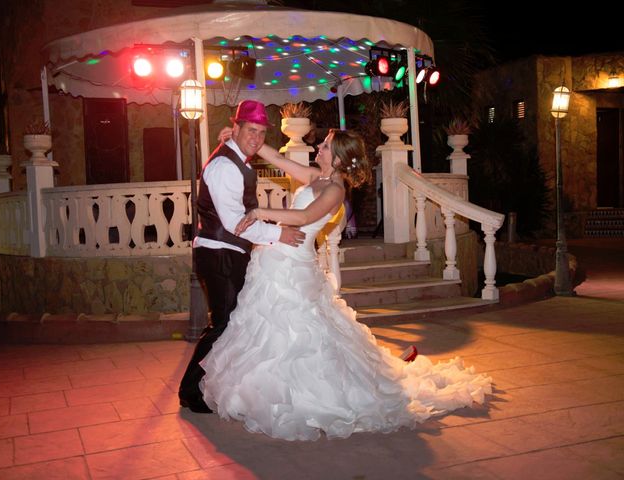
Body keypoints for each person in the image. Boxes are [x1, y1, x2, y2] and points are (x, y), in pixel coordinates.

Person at [198, 128, 492, 441]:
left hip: (293, 265)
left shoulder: (335, 189)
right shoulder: (316, 177)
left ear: (337, 157)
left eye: (324, 146)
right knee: (266, 329)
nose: (318, 147)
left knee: (296, 333)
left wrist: (259, 212)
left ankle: (303, 394)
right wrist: (243, 139)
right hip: (275, 258)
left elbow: (303, 216)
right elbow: (277, 159)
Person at [178, 100, 305, 414]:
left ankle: (215, 386)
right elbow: (236, 221)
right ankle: (189, 391)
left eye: (262, 132)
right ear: (235, 127)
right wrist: (279, 234)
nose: (257, 138)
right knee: (223, 324)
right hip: (218, 252)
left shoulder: (236, 159)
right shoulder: (224, 166)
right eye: (251, 130)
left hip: (228, 252)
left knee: (231, 324)